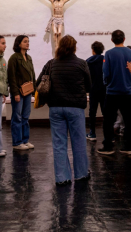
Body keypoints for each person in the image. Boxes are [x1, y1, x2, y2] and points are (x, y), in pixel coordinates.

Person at [38, 35, 91, 185]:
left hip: (55, 108)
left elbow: (39, 83)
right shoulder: (81, 64)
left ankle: (62, 177)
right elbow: (89, 86)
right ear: (74, 47)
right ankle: (81, 174)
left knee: (59, 143)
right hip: (75, 108)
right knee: (79, 142)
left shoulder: (51, 64)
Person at [97, 30, 131, 155]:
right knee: (129, 120)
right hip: (127, 92)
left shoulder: (109, 54)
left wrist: (107, 83)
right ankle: (129, 146)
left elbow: (106, 73)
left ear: (112, 40)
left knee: (108, 120)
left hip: (112, 92)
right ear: (124, 39)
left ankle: (108, 146)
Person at [7, 35, 36, 151]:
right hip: (18, 92)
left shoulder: (28, 58)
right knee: (17, 117)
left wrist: (34, 89)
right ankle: (17, 142)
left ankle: (25, 140)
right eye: (25, 41)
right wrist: (15, 93)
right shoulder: (14, 58)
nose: (27, 43)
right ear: (18, 43)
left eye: (28, 41)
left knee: (25, 117)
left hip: (28, 92)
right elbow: (11, 77)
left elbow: (32, 75)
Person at [85, 41, 106, 141]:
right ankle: (108, 135)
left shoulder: (88, 61)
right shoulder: (105, 59)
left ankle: (92, 133)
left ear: (93, 50)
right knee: (105, 112)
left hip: (93, 89)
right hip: (104, 89)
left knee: (92, 112)